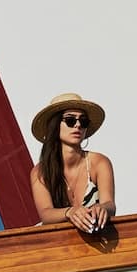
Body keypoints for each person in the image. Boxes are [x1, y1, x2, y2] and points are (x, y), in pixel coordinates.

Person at [29, 92, 115, 233]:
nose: (77, 125)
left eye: (83, 121)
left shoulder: (99, 162)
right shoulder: (40, 171)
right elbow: (46, 214)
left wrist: (102, 208)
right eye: (70, 120)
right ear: (55, 125)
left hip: (96, 237)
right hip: (56, 242)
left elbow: (110, 204)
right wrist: (70, 212)